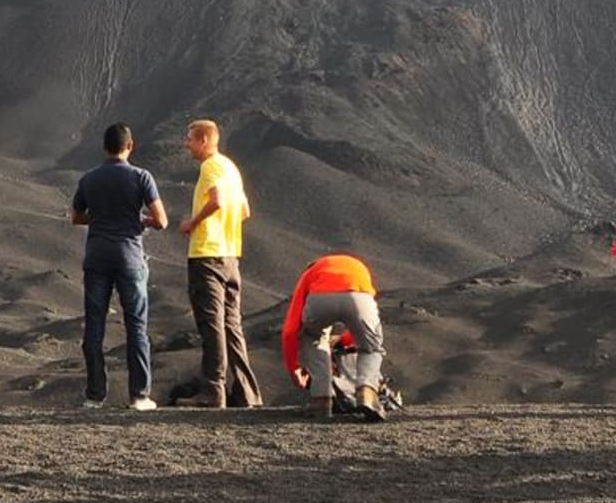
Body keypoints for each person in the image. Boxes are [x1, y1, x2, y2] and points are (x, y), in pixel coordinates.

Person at [70, 122, 167, 411]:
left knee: (94, 326)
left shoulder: (89, 179)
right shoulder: (142, 177)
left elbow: (76, 217)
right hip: (130, 257)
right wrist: (139, 221)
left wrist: (99, 218)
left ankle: (94, 395)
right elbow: (161, 220)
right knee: (136, 326)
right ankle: (139, 395)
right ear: (130, 146)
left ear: (105, 147)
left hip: (97, 256)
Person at [180, 119, 261, 409]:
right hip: (230, 254)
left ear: (203, 140)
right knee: (231, 324)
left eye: (190, 139)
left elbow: (215, 200)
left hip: (207, 254)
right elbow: (244, 210)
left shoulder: (211, 166)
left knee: (211, 324)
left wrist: (194, 222)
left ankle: (213, 390)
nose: (187, 144)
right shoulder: (231, 168)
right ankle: (247, 392)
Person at [281, 253, 386, 422]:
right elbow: (365, 330)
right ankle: (367, 391)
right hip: (359, 298)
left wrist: (295, 370)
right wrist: (344, 340)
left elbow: (290, 331)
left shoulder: (309, 273)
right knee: (371, 347)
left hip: (319, 301)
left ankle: (321, 401)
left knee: (313, 338)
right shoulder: (359, 267)